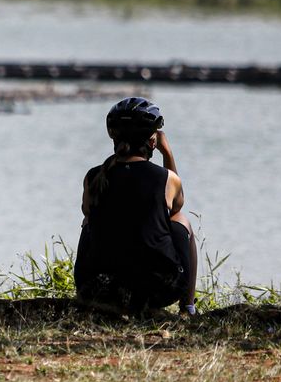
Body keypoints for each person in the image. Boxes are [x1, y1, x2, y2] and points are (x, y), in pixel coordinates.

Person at [74, 97, 198, 315]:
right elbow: (176, 206)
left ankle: (90, 295)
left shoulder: (94, 176)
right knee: (182, 221)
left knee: (88, 220)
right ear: (153, 142)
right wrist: (167, 153)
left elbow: (87, 211)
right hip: (157, 290)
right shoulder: (166, 178)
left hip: (98, 288)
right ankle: (187, 307)